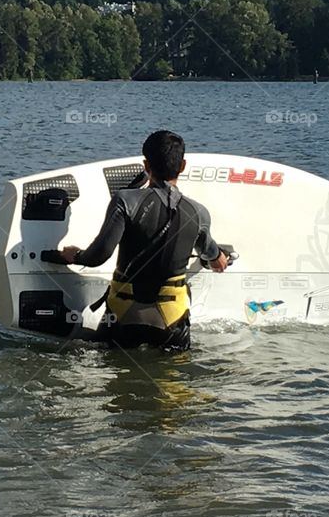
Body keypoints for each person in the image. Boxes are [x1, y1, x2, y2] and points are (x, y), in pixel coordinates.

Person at [57, 130, 229, 351]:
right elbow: (210, 252)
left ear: (146, 165)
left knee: (116, 379)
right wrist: (218, 259)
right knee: (173, 382)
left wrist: (75, 255)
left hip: (124, 316)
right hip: (172, 321)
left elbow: (98, 256)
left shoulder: (125, 201)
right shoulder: (198, 213)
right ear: (183, 166)